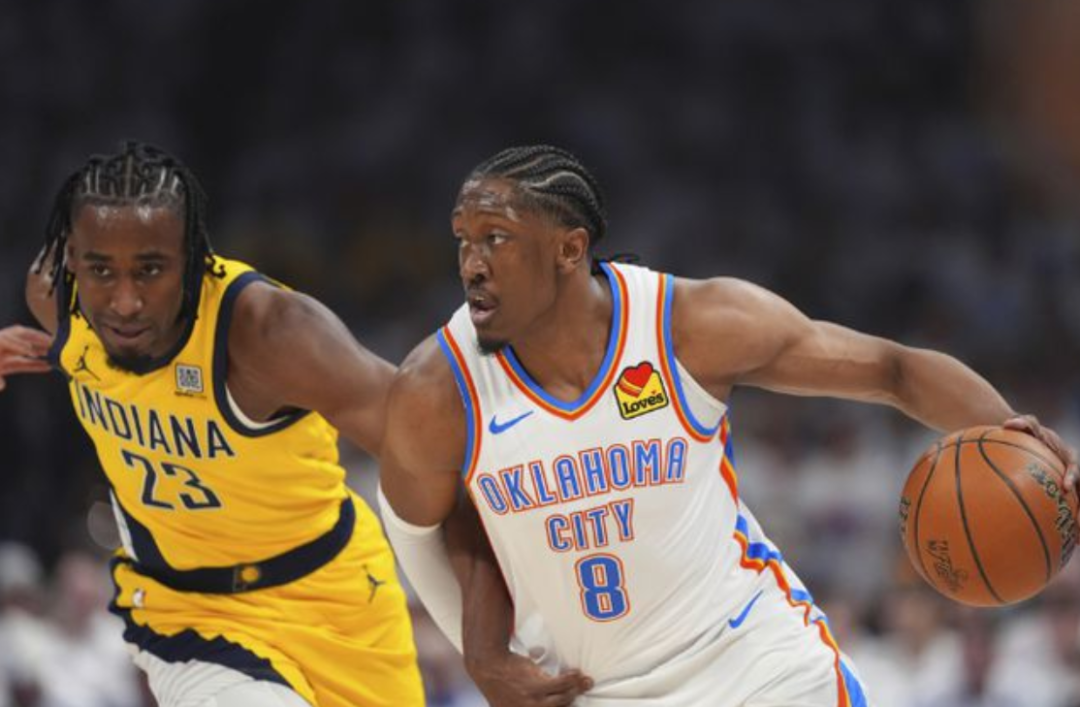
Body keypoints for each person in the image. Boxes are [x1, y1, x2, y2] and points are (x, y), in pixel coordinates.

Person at [377, 145, 1079, 707]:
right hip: (596, 690)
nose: (471, 264)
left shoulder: (688, 325)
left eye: (495, 238)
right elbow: (421, 523)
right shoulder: (441, 385)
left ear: (569, 249)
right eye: (463, 240)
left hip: (757, 665)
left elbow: (891, 369)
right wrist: (483, 655)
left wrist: (1019, 443)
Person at [0, 142, 424, 707]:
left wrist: (492, 612)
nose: (125, 302)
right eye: (100, 270)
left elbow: (429, 448)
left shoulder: (271, 335)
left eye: (150, 270)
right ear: (73, 262)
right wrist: (62, 352)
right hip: (190, 615)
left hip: (341, 596)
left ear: (193, 260)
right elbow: (110, 359)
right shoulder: (57, 300)